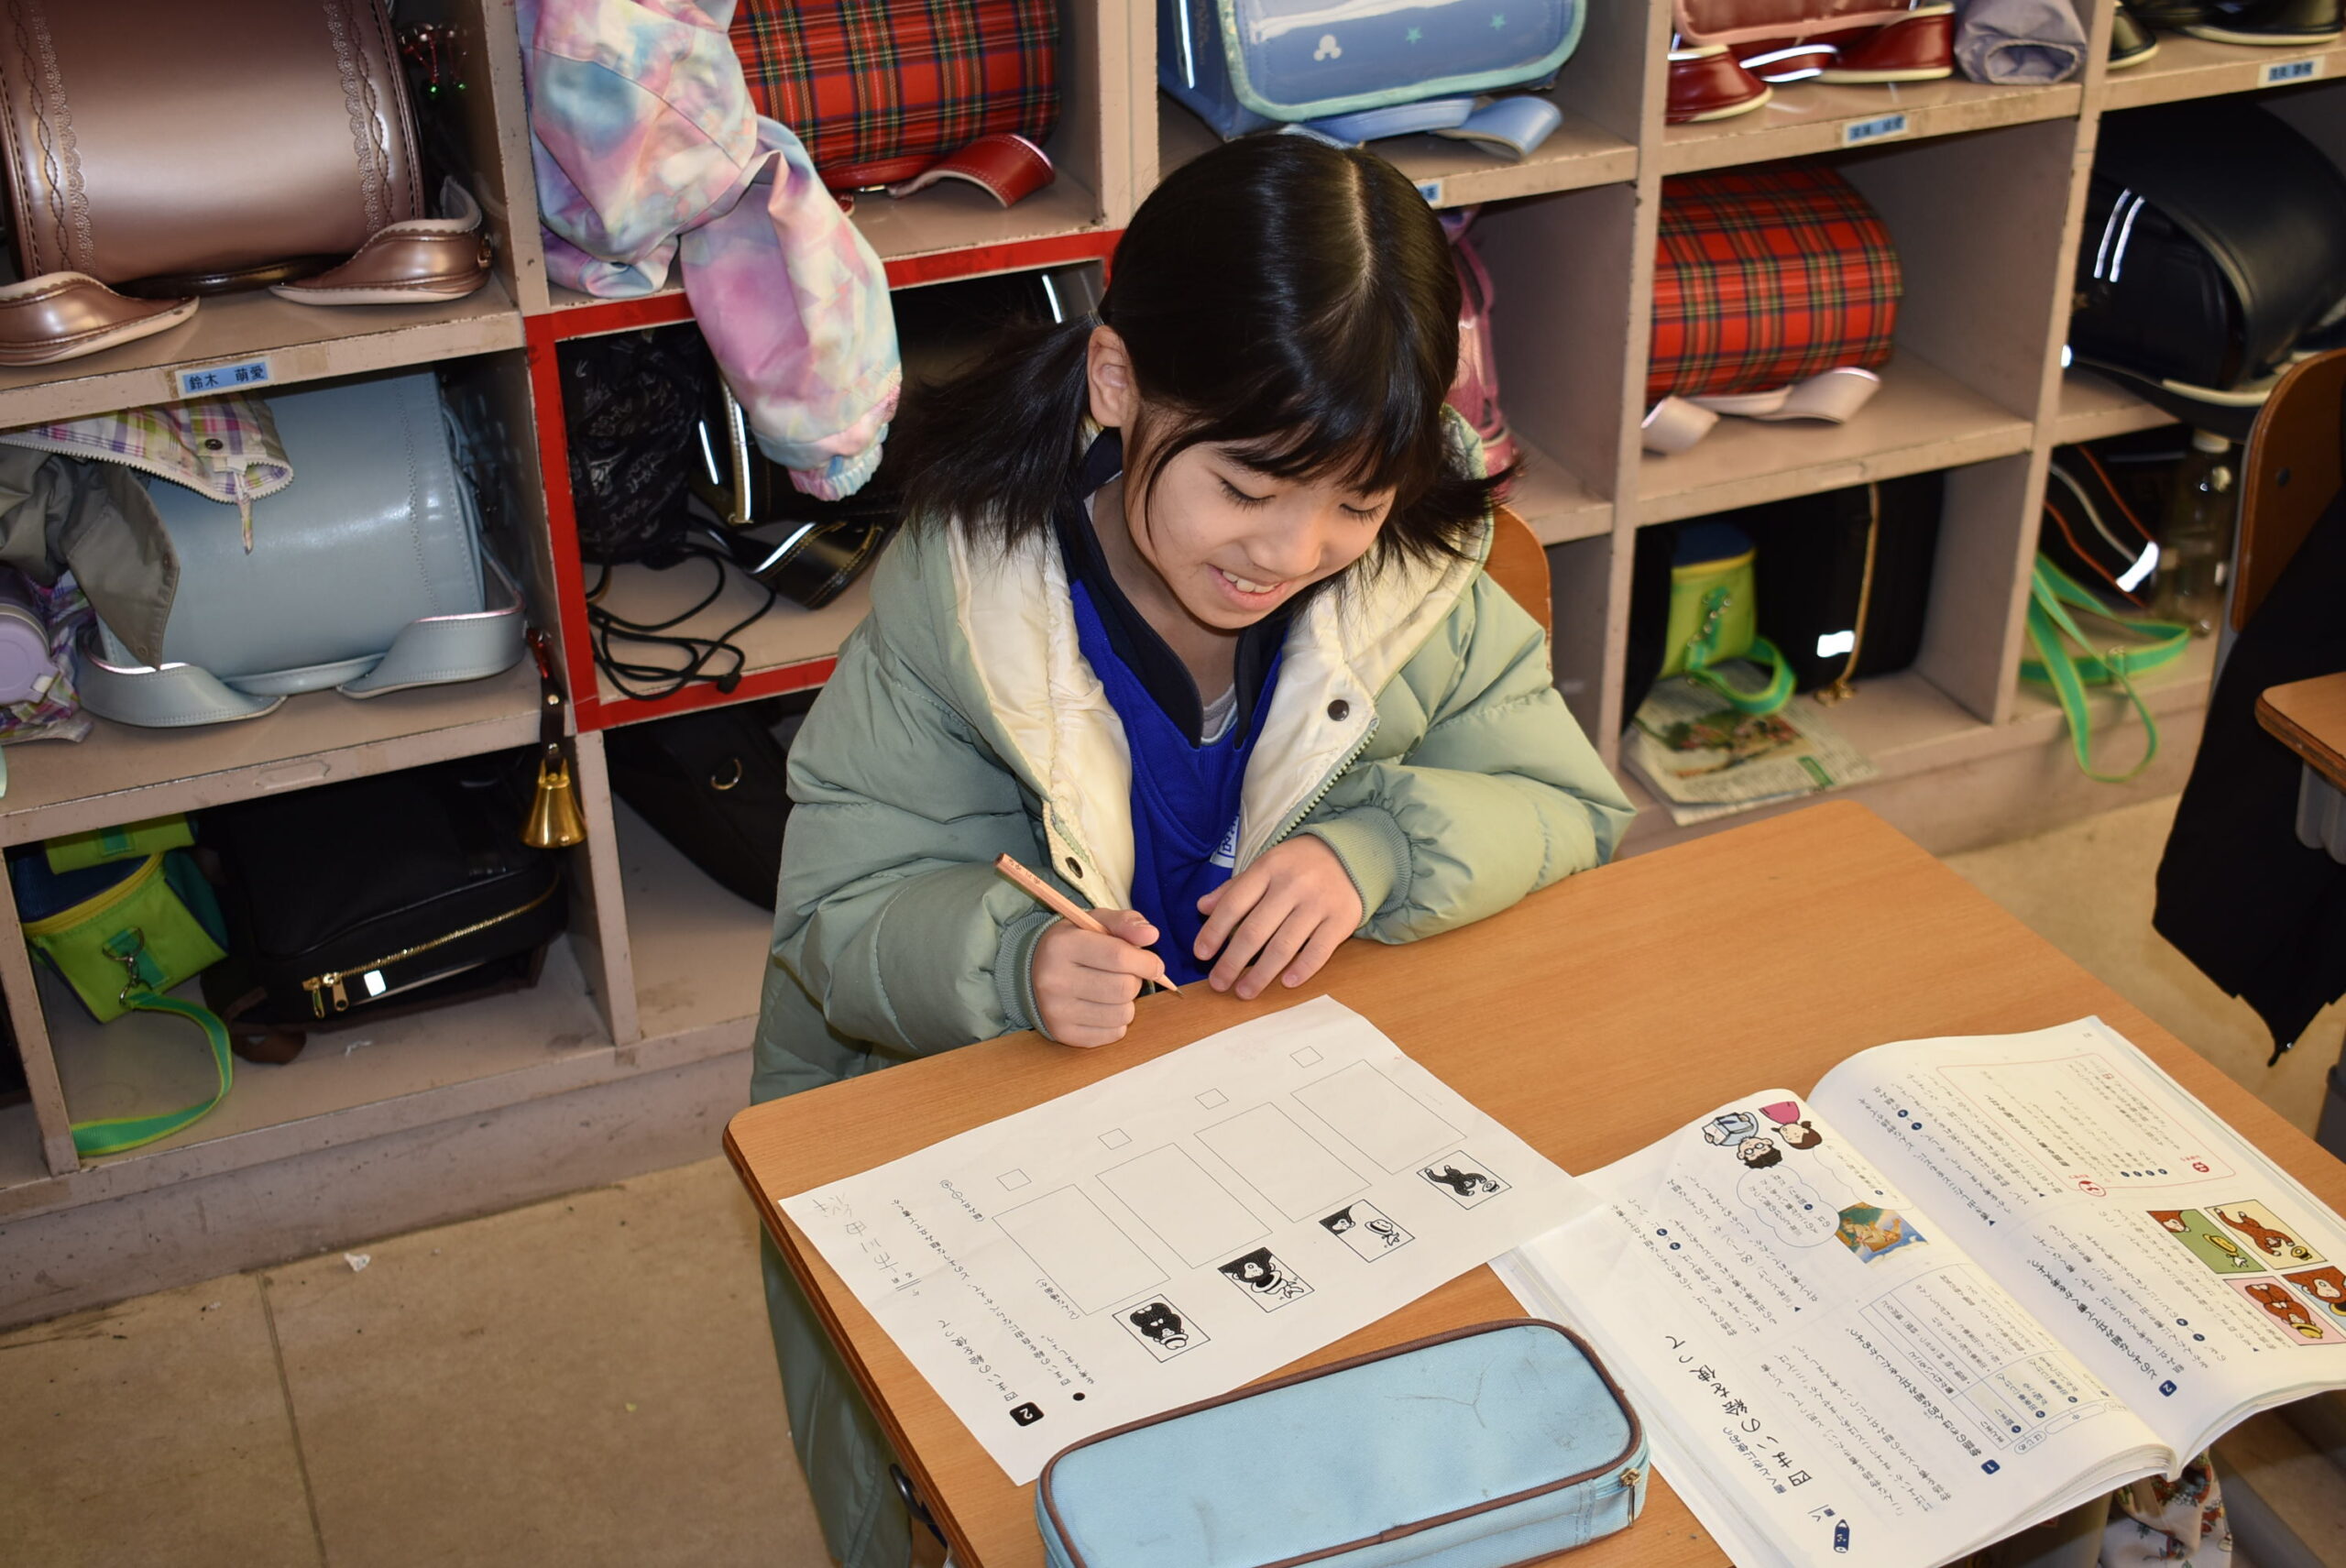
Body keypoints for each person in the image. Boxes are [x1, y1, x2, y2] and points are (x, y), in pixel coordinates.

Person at [750, 134, 1634, 1568]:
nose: (1292, 550)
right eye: (1247, 486)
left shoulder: (1414, 575)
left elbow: (1565, 803)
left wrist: (1378, 851)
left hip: (1281, 1142)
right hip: (995, 1136)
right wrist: (1012, 960)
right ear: (1116, 383)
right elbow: (838, 919)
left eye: (1354, 501)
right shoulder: (963, 605)